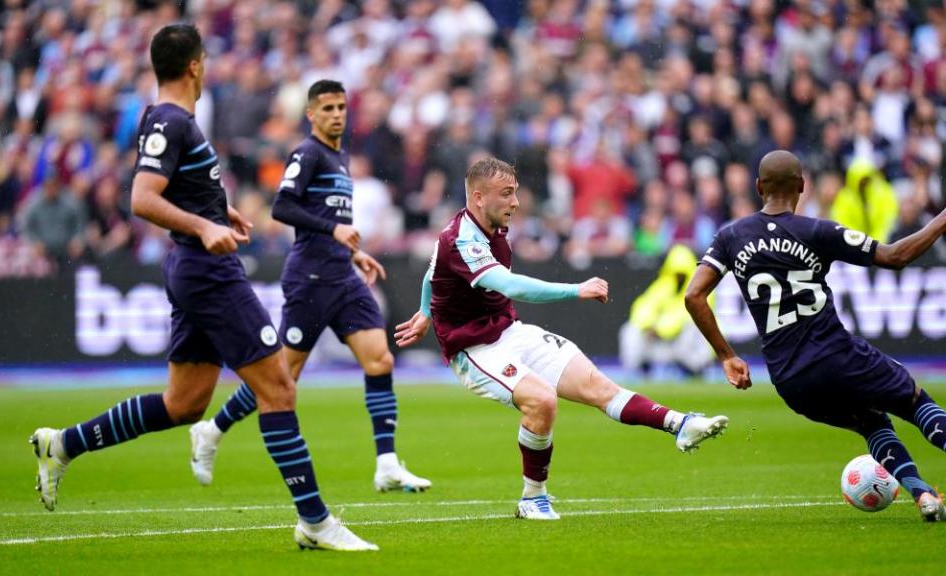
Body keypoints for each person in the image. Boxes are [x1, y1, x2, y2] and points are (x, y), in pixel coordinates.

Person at [29, 25, 377, 551]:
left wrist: (217, 211)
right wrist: (203, 226)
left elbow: (176, 188)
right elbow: (142, 198)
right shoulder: (170, 120)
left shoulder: (170, 119)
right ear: (195, 65)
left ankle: (63, 445)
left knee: (185, 403)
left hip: (193, 267)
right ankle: (315, 520)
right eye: (206, 58)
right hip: (208, 272)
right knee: (278, 387)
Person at [394, 157, 728, 520]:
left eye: (516, 193)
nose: (516, 202)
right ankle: (532, 497)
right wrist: (574, 289)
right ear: (478, 197)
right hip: (475, 349)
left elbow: (431, 274)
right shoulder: (461, 239)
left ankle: (680, 424)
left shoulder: (489, 224)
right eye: (507, 194)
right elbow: (508, 284)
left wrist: (426, 312)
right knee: (542, 400)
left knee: (598, 387)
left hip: (510, 331)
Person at [189, 80, 430, 493]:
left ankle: (386, 463)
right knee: (282, 378)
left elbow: (328, 218)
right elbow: (282, 206)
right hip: (310, 279)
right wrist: (334, 229)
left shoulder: (339, 157)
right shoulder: (307, 153)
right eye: (328, 108)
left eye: (341, 107)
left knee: (380, 361)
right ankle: (212, 430)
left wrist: (354, 253)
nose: (337, 114)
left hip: (343, 276)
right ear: (311, 114)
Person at [684, 150, 946, 522]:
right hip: (838, 356)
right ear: (802, 186)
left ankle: (923, 496)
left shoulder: (730, 236)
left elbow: (693, 295)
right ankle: (923, 493)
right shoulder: (819, 231)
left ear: (758, 187)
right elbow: (895, 256)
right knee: (915, 402)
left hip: (791, 381)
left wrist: (726, 355)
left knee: (871, 421)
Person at [618, 244, 714, 377]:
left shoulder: (701, 288)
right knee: (630, 329)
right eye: (676, 273)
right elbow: (643, 306)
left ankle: (694, 367)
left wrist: (660, 329)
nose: (679, 277)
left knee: (693, 326)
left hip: (686, 343)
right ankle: (640, 369)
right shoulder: (664, 285)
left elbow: (685, 314)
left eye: (682, 273)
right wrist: (647, 325)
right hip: (664, 341)